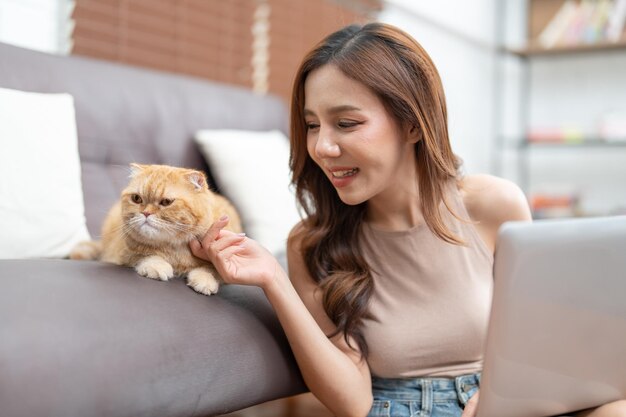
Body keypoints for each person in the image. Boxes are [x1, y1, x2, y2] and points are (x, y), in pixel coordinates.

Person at [190, 22, 626, 417]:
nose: (322, 147)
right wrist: (274, 280)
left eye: (345, 123)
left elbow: (543, 338)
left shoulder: (494, 206)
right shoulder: (312, 243)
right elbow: (353, 402)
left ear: (412, 124)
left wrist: (506, 398)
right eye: (312, 125)